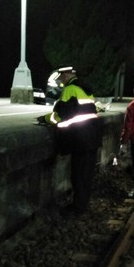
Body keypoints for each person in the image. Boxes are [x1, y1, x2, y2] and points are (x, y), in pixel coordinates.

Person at [45, 66, 102, 214]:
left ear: (65, 75)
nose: (61, 80)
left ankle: (78, 208)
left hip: (81, 139)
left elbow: (61, 114)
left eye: (62, 76)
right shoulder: (85, 89)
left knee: (78, 175)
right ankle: (82, 204)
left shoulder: (70, 90)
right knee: (86, 175)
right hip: (93, 136)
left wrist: (46, 118)